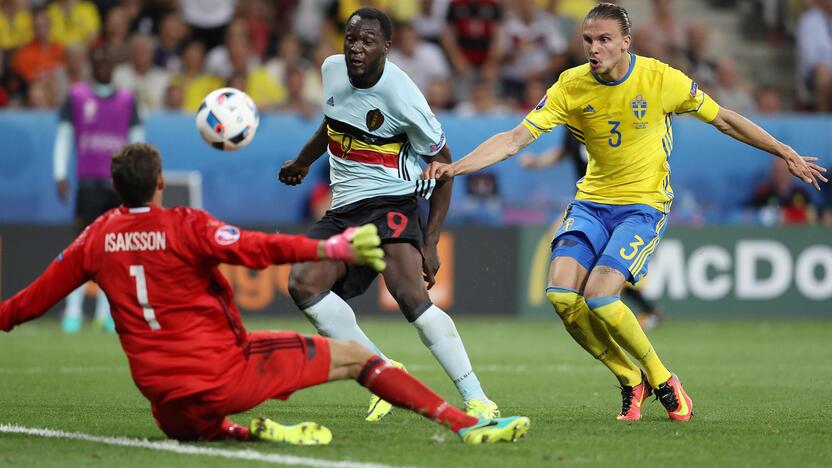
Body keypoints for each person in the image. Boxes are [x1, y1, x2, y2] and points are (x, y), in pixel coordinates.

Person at [422, 3, 827, 423]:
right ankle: (629, 378)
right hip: (591, 203)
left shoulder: (660, 79)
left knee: (600, 297)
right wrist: (456, 166)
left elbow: (723, 119)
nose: (593, 49)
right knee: (562, 297)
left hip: (642, 205)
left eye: (603, 40)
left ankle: (663, 379)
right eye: (587, 40)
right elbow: (513, 139)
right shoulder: (571, 86)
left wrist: (784, 151)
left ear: (625, 43)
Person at [0, 142, 531, 446]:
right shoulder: (185, 223)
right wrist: (335, 248)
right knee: (355, 359)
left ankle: (257, 433)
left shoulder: (95, 239)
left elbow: (27, 304)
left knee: (195, 427)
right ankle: (464, 422)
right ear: (160, 182)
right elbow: (258, 249)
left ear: (117, 189)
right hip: (224, 373)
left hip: (164, 401)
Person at [278, 8, 500, 422]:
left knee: (412, 298)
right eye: (351, 39)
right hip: (343, 208)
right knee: (302, 282)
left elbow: (445, 170)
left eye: (367, 42)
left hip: (390, 203)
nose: (356, 49)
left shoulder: (403, 97)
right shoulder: (330, 70)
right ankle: (381, 369)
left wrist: (431, 242)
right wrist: (304, 162)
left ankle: (476, 397)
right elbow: (332, 122)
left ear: (386, 48)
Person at [520, 131, 665, 331]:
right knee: (579, 253)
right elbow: (563, 152)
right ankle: (635, 309)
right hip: (586, 206)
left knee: (607, 265)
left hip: (618, 205)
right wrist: (536, 162)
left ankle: (646, 310)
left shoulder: (613, 120)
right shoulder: (573, 120)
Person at [54, 45, 144, 334]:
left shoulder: (128, 99)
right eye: (99, 61)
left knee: (115, 252)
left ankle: (106, 314)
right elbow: (65, 136)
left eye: (108, 60)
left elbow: (137, 141)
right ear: (92, 65)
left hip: (116, 186)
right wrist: (60, 172)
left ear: (114, 66)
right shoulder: (78, 96)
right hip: (88, 184)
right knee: (81, 249)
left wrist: (137, 176)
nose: (104, 65)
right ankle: (73, 311)